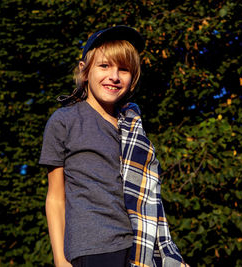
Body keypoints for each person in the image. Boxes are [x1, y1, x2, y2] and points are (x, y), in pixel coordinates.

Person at [40, 26, 187, 267]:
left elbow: (148, 199)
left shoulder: (132, 127)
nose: (114, 76)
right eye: (104, 66)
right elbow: (56, 196)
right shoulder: (64, 121)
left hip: (138, 247)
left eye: (124, 69)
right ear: (84, 71)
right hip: (93, 248)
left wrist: (170, 258)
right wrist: (59, 258)